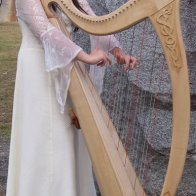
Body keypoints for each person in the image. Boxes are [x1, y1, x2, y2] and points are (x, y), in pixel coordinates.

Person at [4, 0, 137, 196]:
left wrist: (118, 52)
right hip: (38, 70)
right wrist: (86, 56)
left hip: (67, 66)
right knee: (47, 137)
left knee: (67, 135)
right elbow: (44, 31)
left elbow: (94, 23)